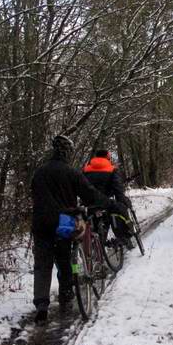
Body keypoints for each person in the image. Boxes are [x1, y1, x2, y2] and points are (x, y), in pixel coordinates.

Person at [30, 135, 115, 324]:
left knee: (42, 264)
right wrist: (109, 204)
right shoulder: (71, 172)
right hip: (63, 222)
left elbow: (35, 196)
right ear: (67, 152)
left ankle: (42, 307)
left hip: (41, 223)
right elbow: (90, 194)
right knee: (64, 258)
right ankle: (66, 293)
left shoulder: (39, 172)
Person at [83, 148, 134, 250]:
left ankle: (96, 252)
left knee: (94, 227)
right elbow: (118, 190)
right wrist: (123, 201)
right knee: (119, 211)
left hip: (90, 204)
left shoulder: (86, 169)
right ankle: (123, 237)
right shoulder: (111, 169)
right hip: (106, 202)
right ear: (108, 157)